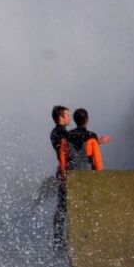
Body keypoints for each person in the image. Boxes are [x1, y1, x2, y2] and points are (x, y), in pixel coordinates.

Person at [50, 105, 72, 252]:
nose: (70, 117)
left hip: (63, 170)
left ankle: (59, 240)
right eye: (67, 115)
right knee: (64, 208)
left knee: (62, 208)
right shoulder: (61, 133)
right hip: (66, 173)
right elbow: (66, 151)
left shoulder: (57, 132)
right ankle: (60, 242)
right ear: (61, 118)